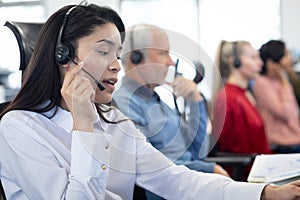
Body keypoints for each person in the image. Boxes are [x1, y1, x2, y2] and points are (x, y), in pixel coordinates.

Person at [0, 3, 299, 200]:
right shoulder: (19, 127)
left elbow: (176, 179)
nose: (117, 65)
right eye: (104, 52)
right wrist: (83, 125)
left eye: (118, 54)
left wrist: (265, 192)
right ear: (62, 56)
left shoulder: (115, 122)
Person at [113, 23, 229, 199]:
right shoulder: (123, 105)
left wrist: (194, 101)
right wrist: (209, 169)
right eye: (162, 53)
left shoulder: (159, 102)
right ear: (136, 58)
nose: (171, 62)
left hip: (189, 184)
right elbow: (151, 168)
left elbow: (198, 150)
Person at [211, 40, 273, 179]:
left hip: (263, 168)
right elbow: (237, 151)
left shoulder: (244, 94)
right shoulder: (230, 99)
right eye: (253, 57)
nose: (260, 63)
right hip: (251, 176)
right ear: (235, 62)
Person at [251, 40, 300, 153]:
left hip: (294, 140)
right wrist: (284, 82)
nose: (290, 59)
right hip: (283, 145)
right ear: (273, 63)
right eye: (286, 55)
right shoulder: (261, 83)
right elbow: (286, 113)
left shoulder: (282, 80)